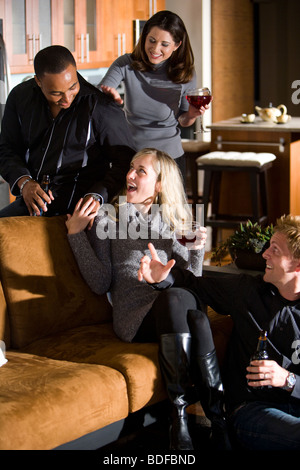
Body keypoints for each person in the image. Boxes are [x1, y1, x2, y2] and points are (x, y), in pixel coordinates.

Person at [65, 148, 207, 451]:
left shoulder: (176, 220)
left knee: (184, 303)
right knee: (180, 304)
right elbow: (100, 282)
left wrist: (196, 250)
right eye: (131, 168)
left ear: (159, 184)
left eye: (140, 171)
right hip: (135, 317)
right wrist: (76, 234)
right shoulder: (109, 217)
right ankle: (191, 411)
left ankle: (189, 413)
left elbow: (193, 285)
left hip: (173, 309)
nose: (129, 175)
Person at [138, 214, 300, 450]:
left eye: (275, 250)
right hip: (252, 411)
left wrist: (288, 379)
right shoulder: (247, 293)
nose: (264, 253)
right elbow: (196, 284)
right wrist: (162, 278)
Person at [0, 45, 135, 218]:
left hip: (81, 209)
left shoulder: (101, 107)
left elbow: (125, 162)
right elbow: (6, 149)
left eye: (73, 87)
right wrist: (24, 182)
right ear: (38, 81)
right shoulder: (20, 97)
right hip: (32, 203)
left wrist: (97, 196)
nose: (67, 98)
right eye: (56, 93)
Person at [99, 10, 210, 179]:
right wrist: (108, 98)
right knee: (126, 207)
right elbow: (100, 93)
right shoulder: (126, 64)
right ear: (144, 37)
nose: (155, 49)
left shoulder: (185, 73)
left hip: (169, 159)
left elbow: (183, 120)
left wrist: (192, 115)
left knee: (168, 207)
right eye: (151, 40)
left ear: (177, 45)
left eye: (164, 44)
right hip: (132, 158)